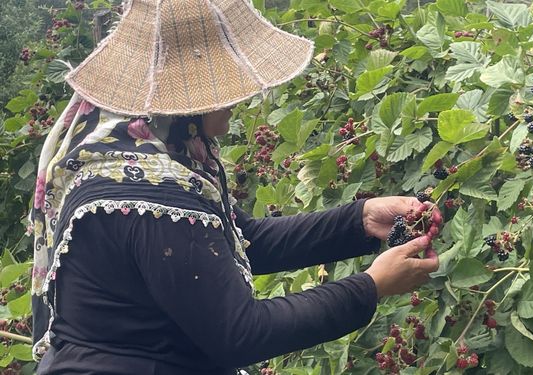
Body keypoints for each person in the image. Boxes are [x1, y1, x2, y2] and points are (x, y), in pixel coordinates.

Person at [29, 1, 441, 374]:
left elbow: (244, 239)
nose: (238, 99)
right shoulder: (149, 194)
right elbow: (242, 334)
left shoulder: (142, 159)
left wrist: (360, 220)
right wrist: (370, 286)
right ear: (187, 104)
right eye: (223, 89)